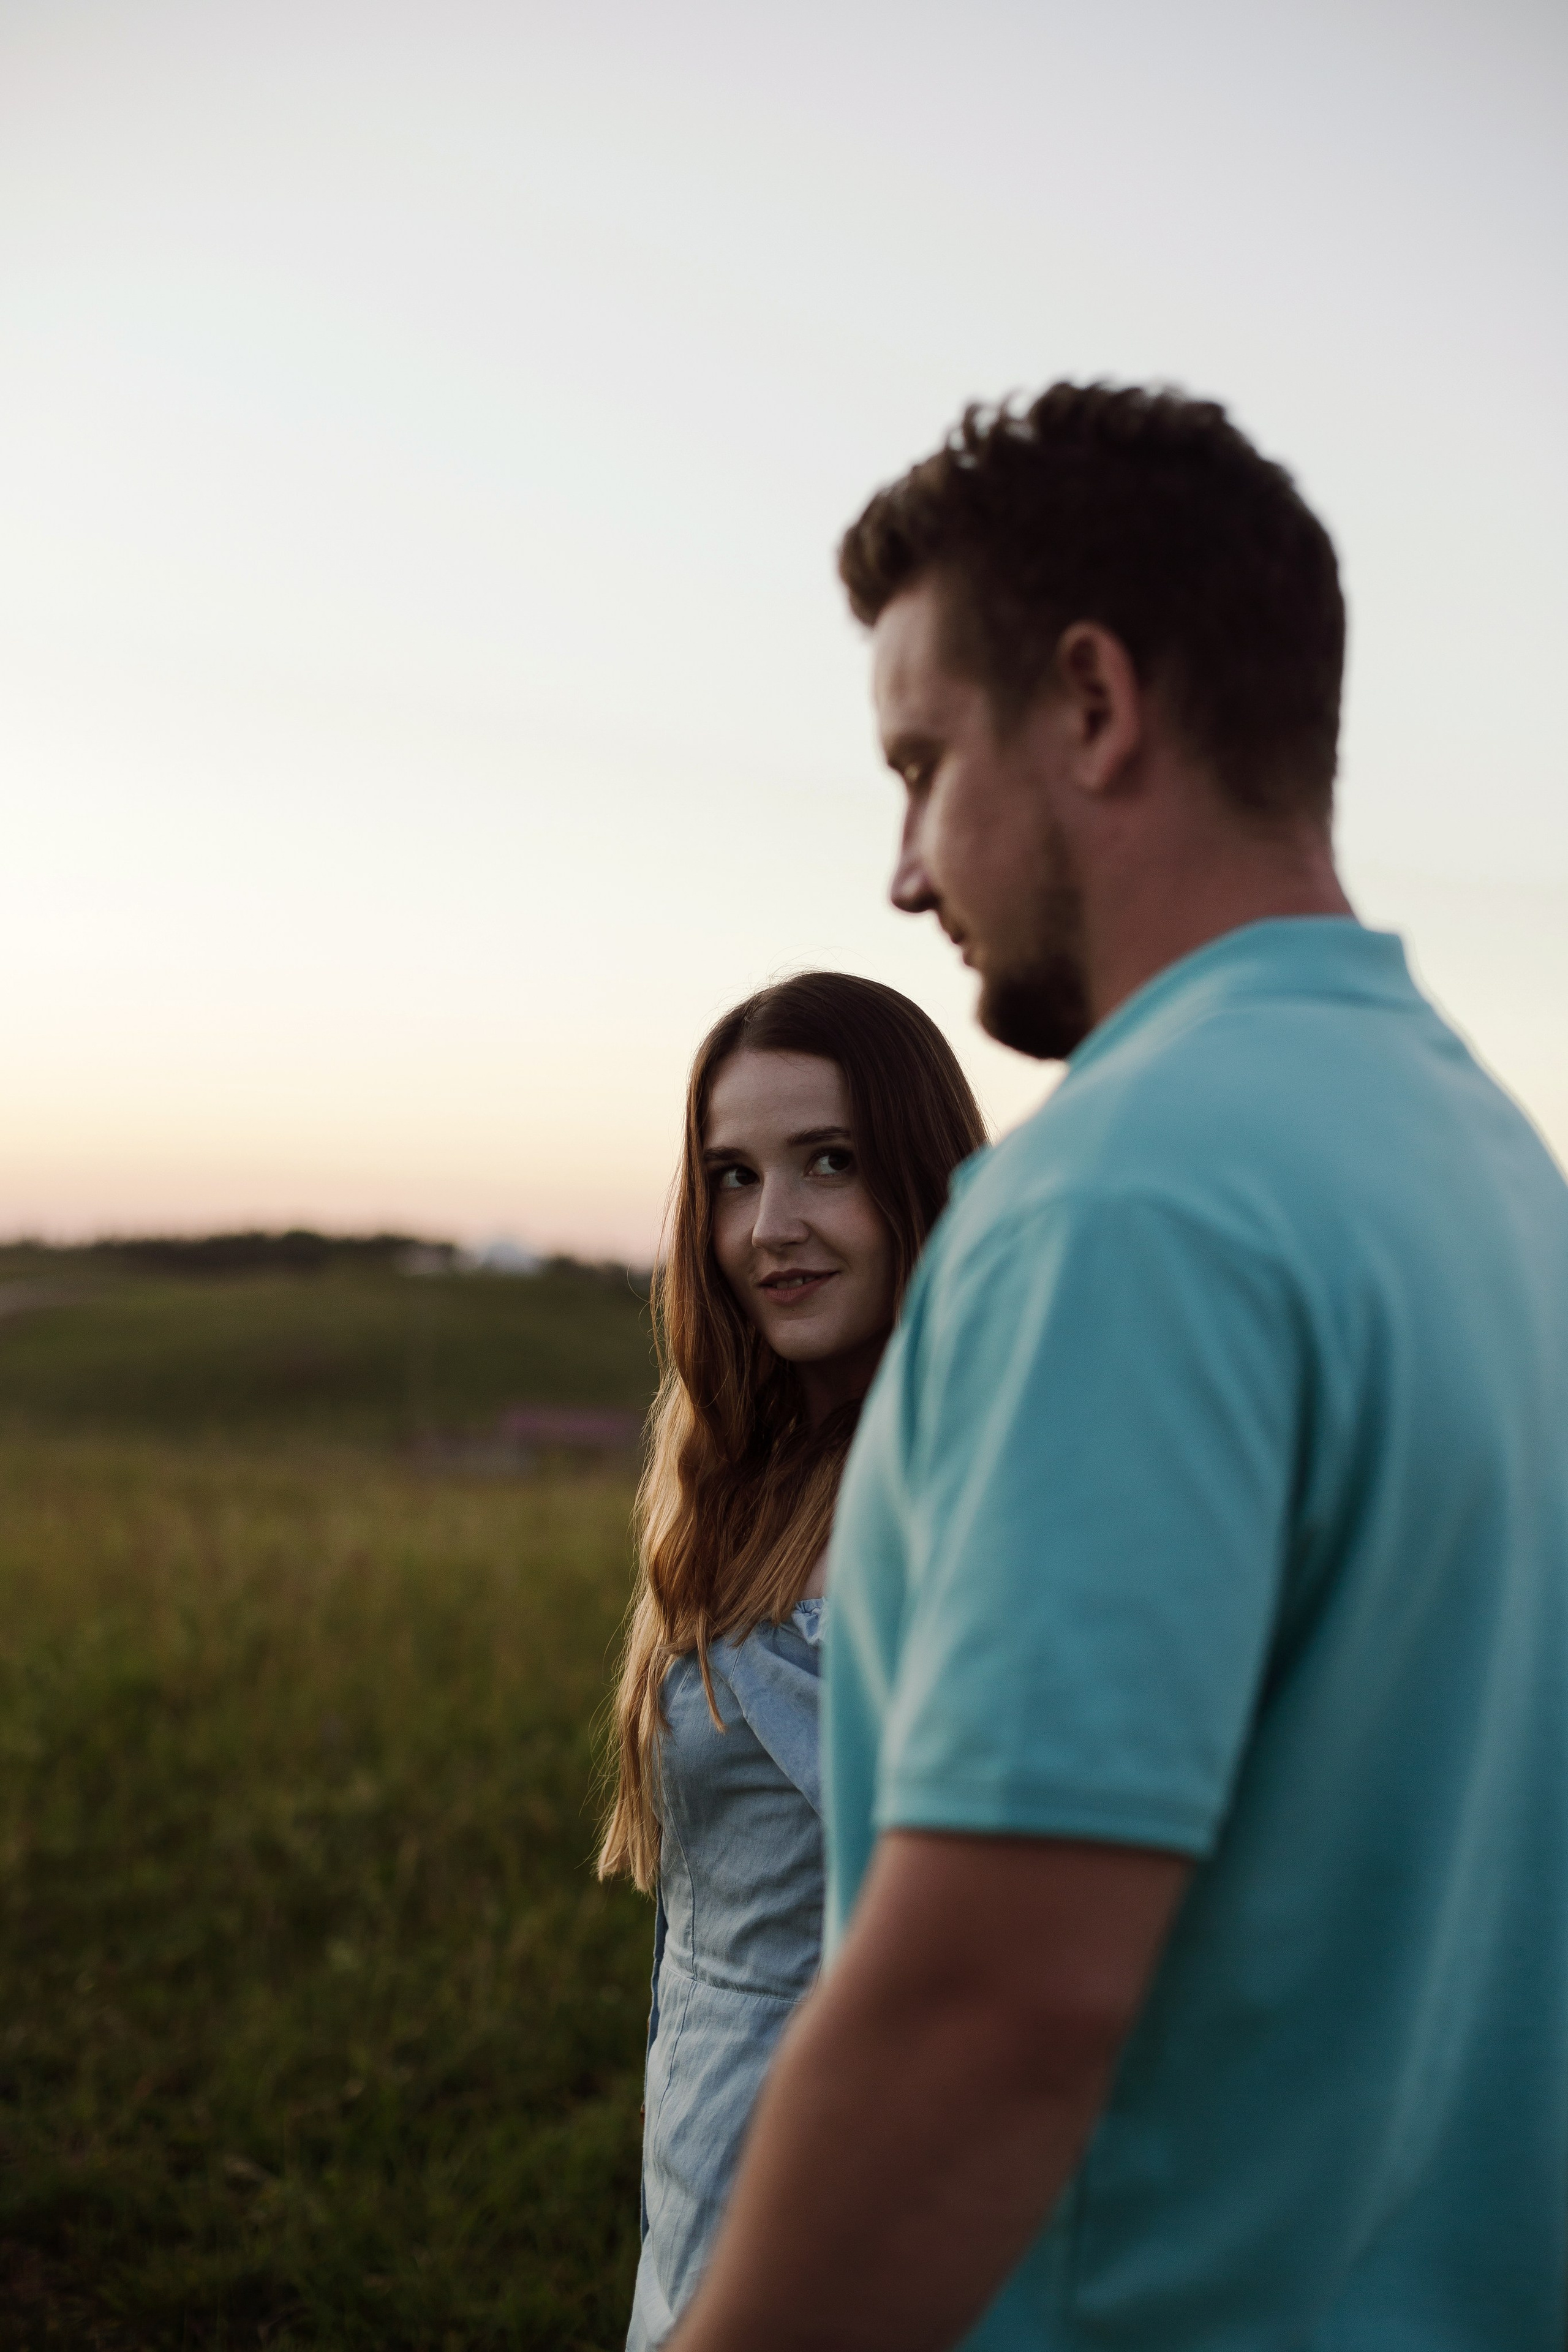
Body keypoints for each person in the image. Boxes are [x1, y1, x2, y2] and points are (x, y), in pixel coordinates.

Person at [668, 385, 1568, 2351]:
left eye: (920, 765)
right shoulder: (1497, 1169)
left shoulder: (1120, 1206)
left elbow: (996, 2004)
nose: (905, 870)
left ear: (1092, 705)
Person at [597, 970, 985, 2349]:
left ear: (921, 1176)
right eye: (730, 1174)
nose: (771, 1228)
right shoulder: (748, 1473)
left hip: (840, 2207)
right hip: (702, 2145)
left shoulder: (953, 1490)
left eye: (829, 1162)